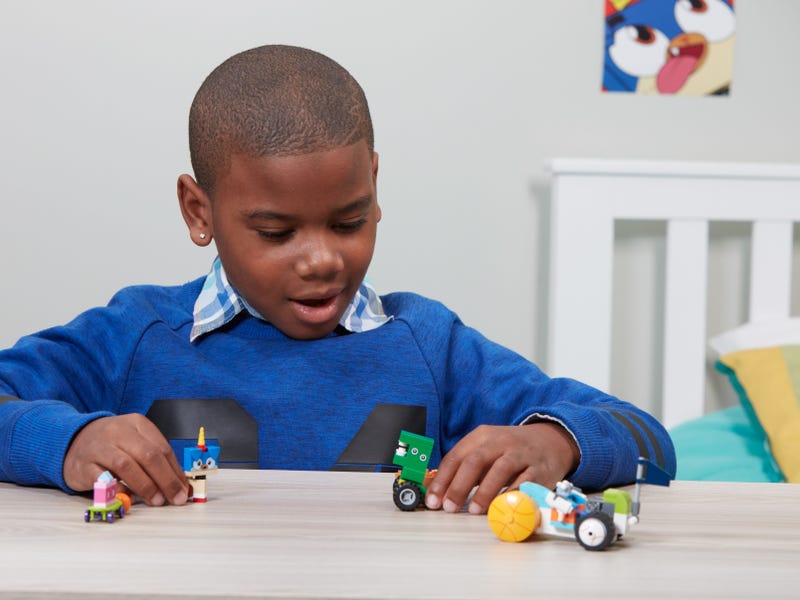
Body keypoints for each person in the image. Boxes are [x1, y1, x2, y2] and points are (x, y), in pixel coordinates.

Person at [0, 44, 675, 515]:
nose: (322, 259)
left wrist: (553, 443)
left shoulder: (431, 346)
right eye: (276, 232)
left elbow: (650, 440)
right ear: (198, 211)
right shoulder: (136, 336)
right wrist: (69, 443)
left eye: (349, 221)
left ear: (374, 186)